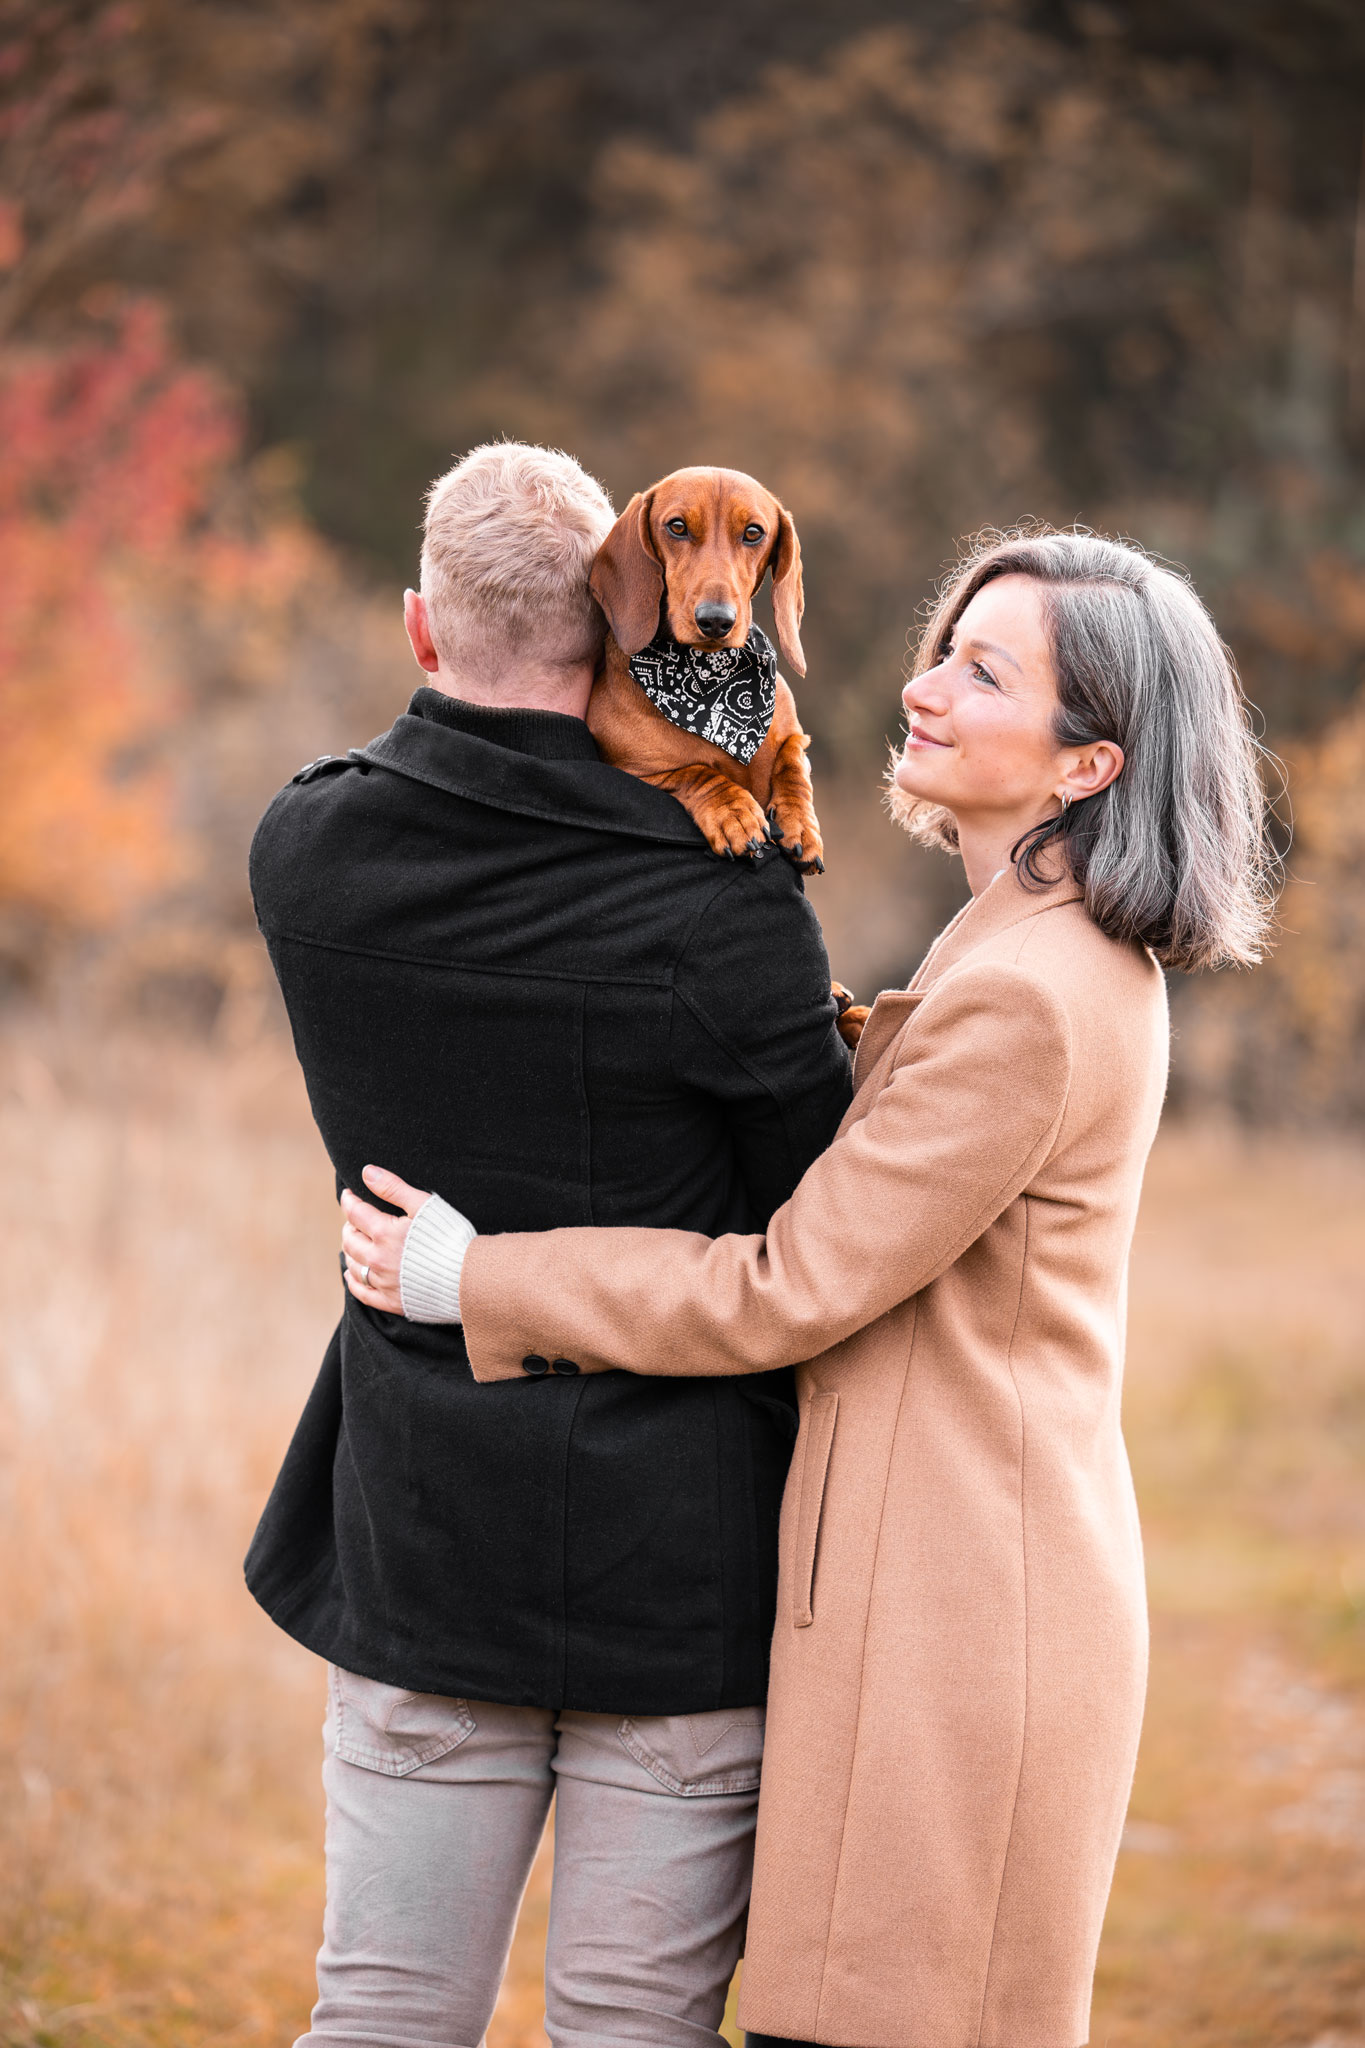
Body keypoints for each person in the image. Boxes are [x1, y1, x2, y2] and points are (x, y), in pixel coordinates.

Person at [342, 528, 1276, 2048]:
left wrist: (481, 1278)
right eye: (939, 647)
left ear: (1086, 767)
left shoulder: (1030, 998)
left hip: (956, 1614)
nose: (919, 689)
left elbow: (788, 1285)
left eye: (982, 673)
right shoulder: (1020, 953)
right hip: (937, 1580)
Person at [246, 441, 853, 2048]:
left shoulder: (306, 851)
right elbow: (822, 1212)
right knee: (628, 2030)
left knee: (377, 2012)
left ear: (420, 631)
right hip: (680, 1557)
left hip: (426, 1533)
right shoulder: (727, 903)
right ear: (620, 626)